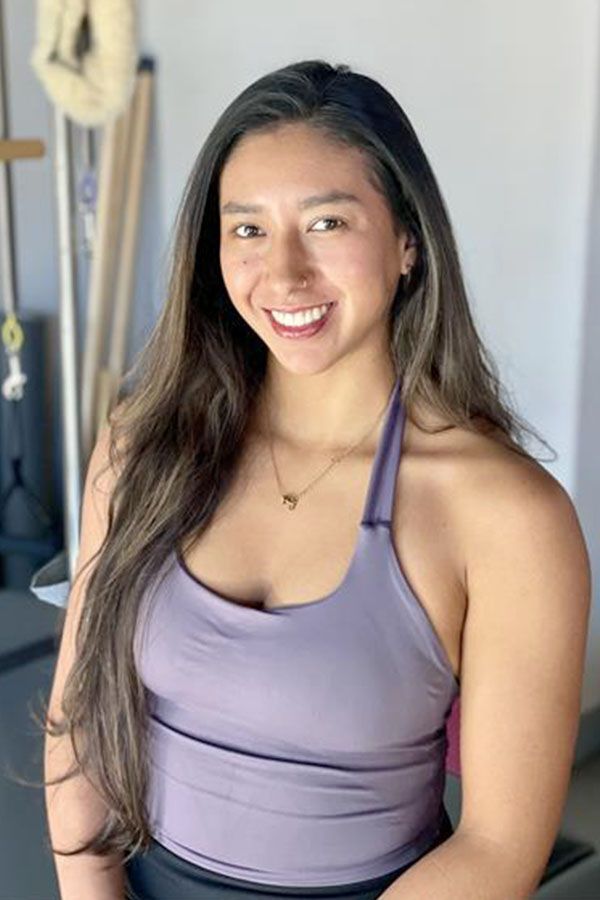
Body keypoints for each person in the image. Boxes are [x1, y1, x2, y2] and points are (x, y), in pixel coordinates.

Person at [43, 59, 591, 900]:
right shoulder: (143, 443)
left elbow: (498, 848)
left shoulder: (507, 515)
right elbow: (78, 719)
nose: (285, 274)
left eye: (328, 222)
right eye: (248, 229)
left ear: (408, 240)